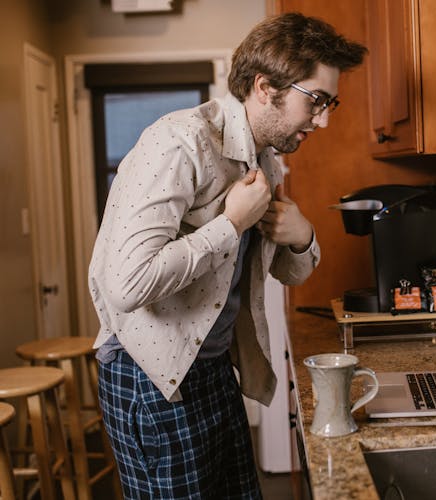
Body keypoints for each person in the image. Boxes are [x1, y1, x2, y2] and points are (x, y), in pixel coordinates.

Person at [88, 13, 366, 499]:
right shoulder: (179, 142)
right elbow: (126, 284)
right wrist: (230, 224)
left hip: (213, 368)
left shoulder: (264, 161)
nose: (323, 119)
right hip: (151, 379)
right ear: (265, 87)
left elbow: (289, 270)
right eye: (316, 101)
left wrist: (302, 236)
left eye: (330, 102)